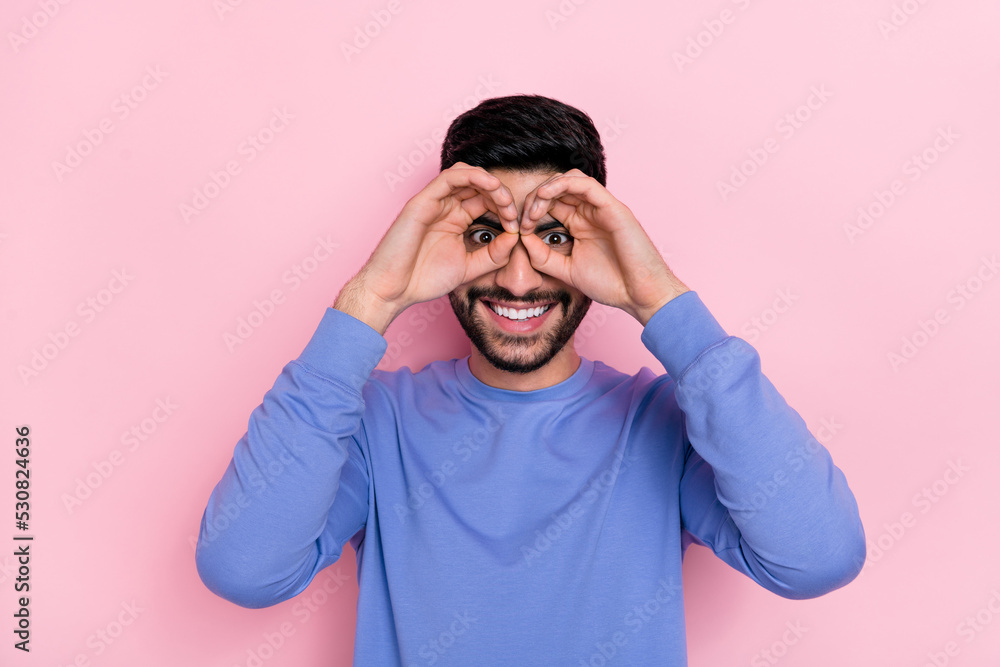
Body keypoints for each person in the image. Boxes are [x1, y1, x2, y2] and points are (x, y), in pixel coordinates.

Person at [195, 94, 865, 666]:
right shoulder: (374, 422)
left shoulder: (663, 422)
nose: (519, 278)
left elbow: (818, 558)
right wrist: (369, 301)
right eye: (486, 235)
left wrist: (659, 298)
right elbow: (244, 568)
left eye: (554, 238)